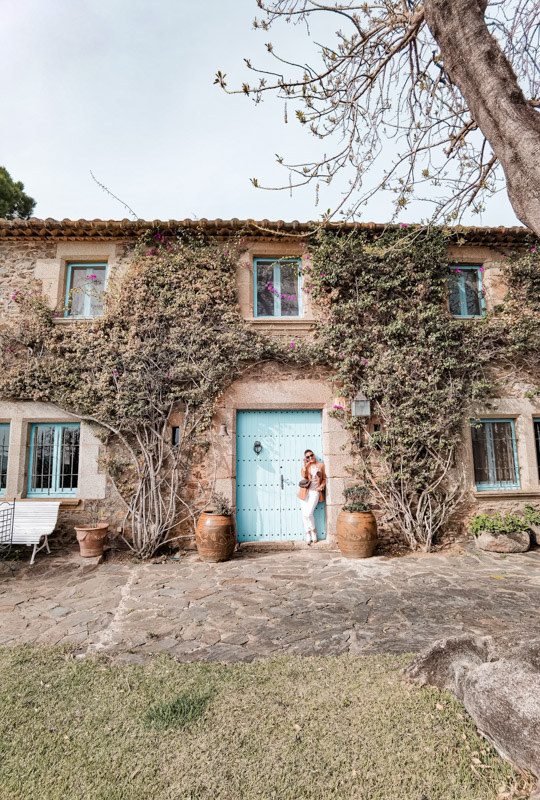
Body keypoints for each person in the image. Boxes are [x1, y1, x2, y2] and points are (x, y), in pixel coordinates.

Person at [298, 449, 326, 544]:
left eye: (311, 455)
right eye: (308, 457)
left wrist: (321, 487)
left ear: (314, 455)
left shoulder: (321, 465)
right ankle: (308, 533)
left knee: (308, 513)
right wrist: (304, 465)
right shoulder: (307, 466)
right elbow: (304, 475)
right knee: (304, 514)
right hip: (305, 492)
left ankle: (313, 531)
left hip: (315, 492)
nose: (310, 457)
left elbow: (324, 479)